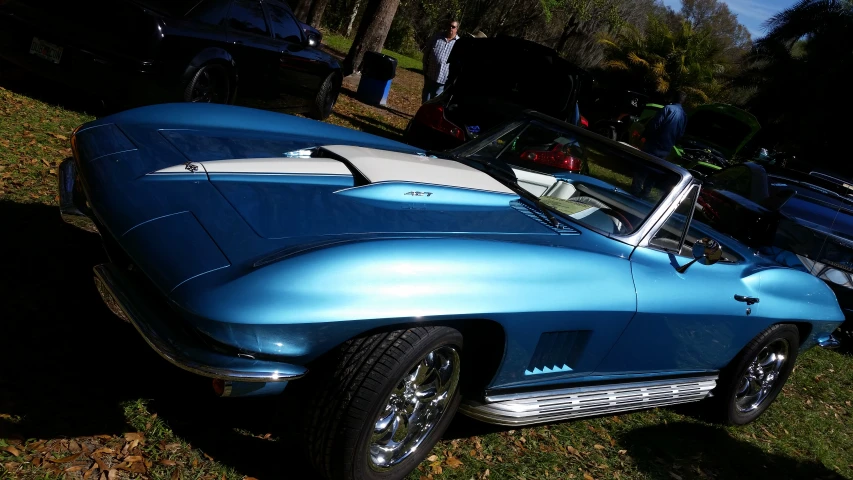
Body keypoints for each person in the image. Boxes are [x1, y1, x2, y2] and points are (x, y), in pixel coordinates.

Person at [631, 89, 688, 197]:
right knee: (655, 170)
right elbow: (680, 134)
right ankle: (646, 192)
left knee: (642, 166)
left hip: (654, 143)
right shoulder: (684, 116)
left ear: (673, 98)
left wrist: (644, 136)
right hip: (667, 147)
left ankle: (635, 190)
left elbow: (655, 124)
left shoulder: (667, 109)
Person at [421, 19, 460, 103]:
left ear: (457, 29)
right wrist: (424, 65)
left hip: (444, 78)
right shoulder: (437, 37)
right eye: (449, 25)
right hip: (430, 73)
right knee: (426, 96)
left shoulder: (458, 43)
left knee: (436, 100)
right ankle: (423, 114)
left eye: (453, 27)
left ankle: (430, 115)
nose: (450, 28)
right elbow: (427, 51)